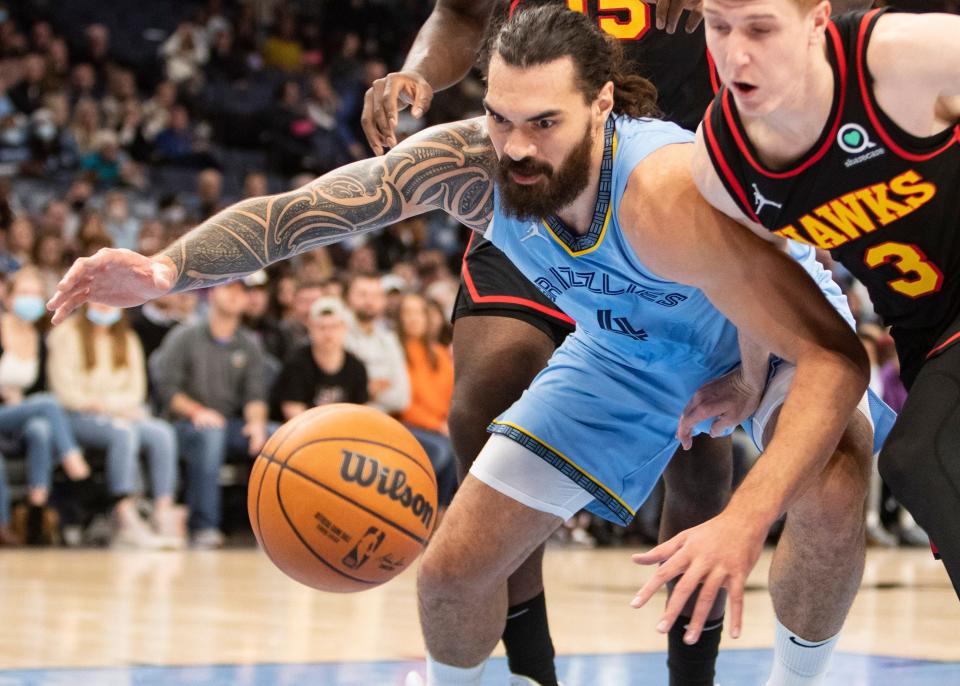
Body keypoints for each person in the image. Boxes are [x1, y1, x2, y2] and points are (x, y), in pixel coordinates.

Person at [47, 7, 883, 685]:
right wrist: (166, 269)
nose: (518, 147)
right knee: (451, 576)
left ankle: (794, 679)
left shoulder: (665, 190)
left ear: (601, 106)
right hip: (624, 352)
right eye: (501, 119)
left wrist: (745, 495)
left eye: (544, 123)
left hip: (764, 340)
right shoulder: (476, 166)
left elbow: (827, 354)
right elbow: (307, 210)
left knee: (836, 474)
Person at [357, 0, 861, 681]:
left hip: (679, 178)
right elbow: (458, 13)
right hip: (538, 175)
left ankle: (693, 672)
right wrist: (416, 73)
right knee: (483, 395)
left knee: (703, 457)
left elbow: (815, 23)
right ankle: (529, 665)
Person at [691, 0, 960, 597]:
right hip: (927, 336)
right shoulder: (723, 163)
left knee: (920, 456)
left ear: (816, 20)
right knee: (928, 468)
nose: (736, 53)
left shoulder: (899, 58)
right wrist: (749, 379)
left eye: (760, 29)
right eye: (719, 27)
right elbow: (765, 287)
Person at [46, 302, 183, 548]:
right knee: (123, 432)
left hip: (119, 414)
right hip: (75, 418)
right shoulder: (65, 334)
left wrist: (110, 407)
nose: (106, 307)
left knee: (162, 432)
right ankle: (124, 515)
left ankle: (163, 511)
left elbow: (136, 390)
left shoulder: (127, 338)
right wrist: (111, 408)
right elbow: (65, 392)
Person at [150, 280, 274, 549]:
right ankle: (203, 526)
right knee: (211, 435)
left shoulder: (249, 345)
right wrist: (197, 411)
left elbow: (255, 395)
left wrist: (256, 424)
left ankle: (276, 528)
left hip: (229, 424)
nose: (235, 296)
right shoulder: (184, 336)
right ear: (213, 292)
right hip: (184, 425)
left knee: (279, 439)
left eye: (242, 291)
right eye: (229, 288)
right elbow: (168, 391)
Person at [396, 292, 458, 508]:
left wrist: (447, 424)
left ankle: (440, 517)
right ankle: (428, 512)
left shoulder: (440, 354)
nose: (413, 318)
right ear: (399, 318)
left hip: (439, 428)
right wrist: (438, 426)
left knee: (458, 450)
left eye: (418, 313)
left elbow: (452, 398)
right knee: (444, 451)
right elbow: (403, 406)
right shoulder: (396, 352)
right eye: (407, 313)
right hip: (406, 426)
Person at [270, 296, 369, 421]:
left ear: (344, 328)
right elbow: (293, 412)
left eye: (334, 327)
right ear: (310, 328)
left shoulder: (356, 367)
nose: (328, 334)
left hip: (343, 430)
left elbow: (360, 413)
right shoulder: (296, 364)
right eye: (321, 327)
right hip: (301, 432)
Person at [344, 273, 411, 416]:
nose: (369, 301)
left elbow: (402, 399)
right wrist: (377, 387)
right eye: (362, 294)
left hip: (381, 423)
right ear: (349, 297)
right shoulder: (336, 333)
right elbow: (344, 393)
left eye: (375, 296)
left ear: (383, 300)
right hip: (344, 418)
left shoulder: (389, 339)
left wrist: (364, 390)